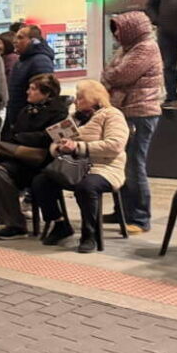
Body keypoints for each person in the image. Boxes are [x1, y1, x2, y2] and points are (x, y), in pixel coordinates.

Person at [33, 79, 129, 253]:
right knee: (41, 181)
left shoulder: (112, 114)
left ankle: (89, 234)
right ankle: (60, 223)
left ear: (94, 98)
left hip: (104, 167)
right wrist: (59, 147)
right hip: (74, 165)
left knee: (86, 187)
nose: (77, 102)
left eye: (81, 98)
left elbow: (115, 145)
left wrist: (79, 147)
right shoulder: (74, 118)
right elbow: (55, 142)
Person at [0, 74, 69, 239]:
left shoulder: (58, 112)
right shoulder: (26, 110)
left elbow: (47, 137)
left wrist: (21, 138)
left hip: (38, 160)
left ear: (46, 93)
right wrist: (14, 140)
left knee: (1, 171)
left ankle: (16, 224)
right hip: (18, 155)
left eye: (32, 89)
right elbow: (12, 132)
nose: (27, 92)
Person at [100, 11, 163, 234]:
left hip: (140, 113)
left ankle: (140, 218)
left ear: (131, 28)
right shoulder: (127, 49)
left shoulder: (146, 47)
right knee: (120, 162)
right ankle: (122, 211)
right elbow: (108, 72)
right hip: (123, 111)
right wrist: (110, 73)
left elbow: (119, 75)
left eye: (118, 29)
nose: (116, 34)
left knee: (134, 165)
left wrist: (110, 74)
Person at [5, 25, 55, 129]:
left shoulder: (41, 60)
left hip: (30, 122)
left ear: (34, 41)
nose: (15, 41)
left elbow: (43, 94)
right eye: (15, 37)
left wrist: (30, 118)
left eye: (20, 37)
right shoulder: (22, 60)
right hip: (19, 118)